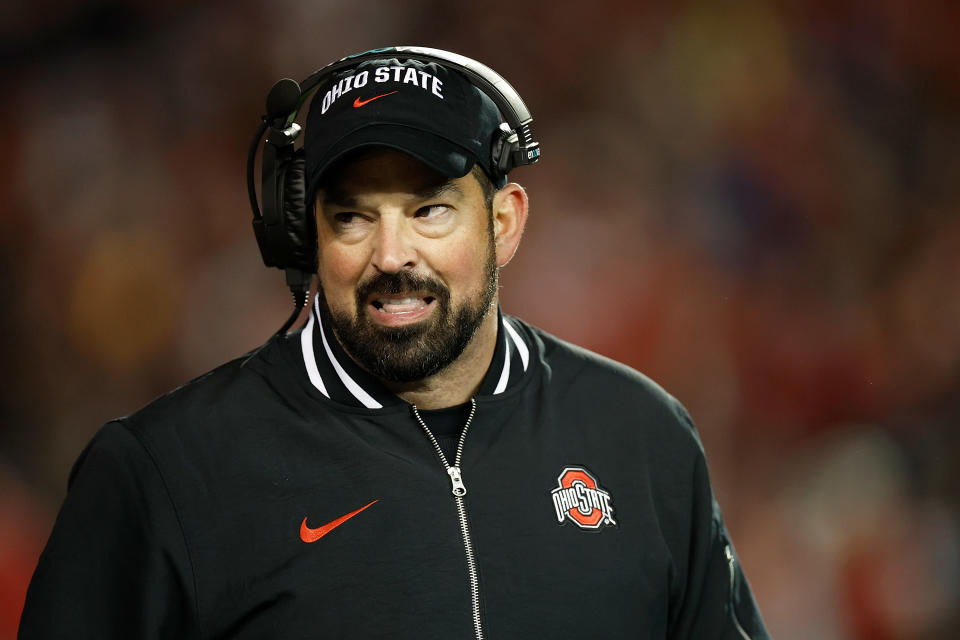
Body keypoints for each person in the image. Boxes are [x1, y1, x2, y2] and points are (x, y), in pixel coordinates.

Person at [19, 48, 769, 639]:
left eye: (429, 210)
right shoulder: (164, 473)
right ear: (302, 236)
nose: (391, 253)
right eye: (351, 217)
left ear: (503, 222)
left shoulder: (640, 434)